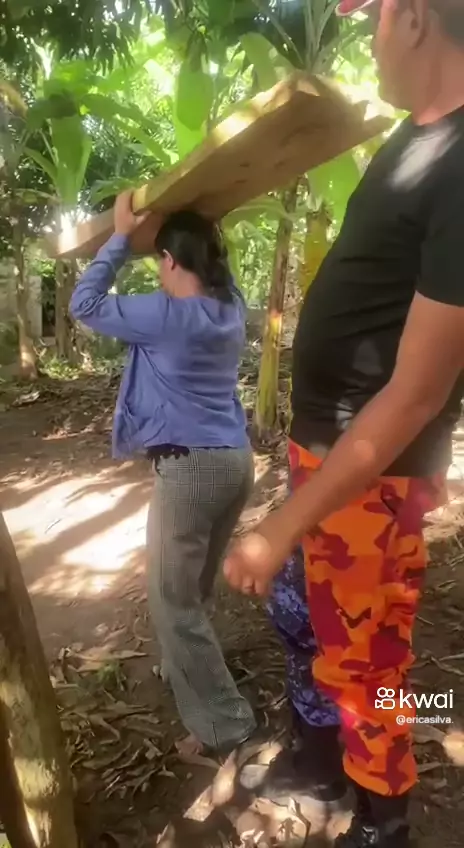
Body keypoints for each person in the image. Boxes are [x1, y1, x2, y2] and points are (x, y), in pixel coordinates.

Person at [224, 1, 464, 846]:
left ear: (412, 17)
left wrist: (278, 527)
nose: (368, 37)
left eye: (373, 20)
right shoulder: (419, 136)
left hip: (373, 472)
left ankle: (383, 821)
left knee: (370, 666)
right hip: (338, 460)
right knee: (326, 632)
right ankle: (329, 759)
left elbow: (418, 394)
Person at [70, 192, 256, 758]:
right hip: (234, 461)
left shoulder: (165, 315)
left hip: (191, 469)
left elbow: (83, 302)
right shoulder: (231, 308)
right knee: (193, 589)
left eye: (159, 262)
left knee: (173, 601)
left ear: (171, 261)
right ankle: (186, 671)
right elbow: (217, 270)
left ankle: (224, 724)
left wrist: (120, 237)